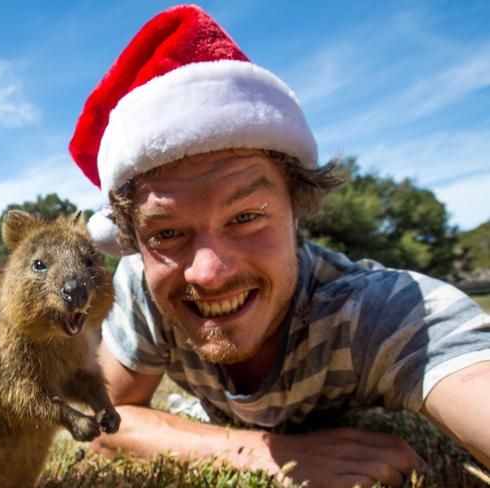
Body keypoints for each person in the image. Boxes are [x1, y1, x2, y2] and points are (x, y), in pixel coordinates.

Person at [69, 5, 490, 487]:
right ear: (134, 242)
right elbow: (103, 417)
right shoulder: (144, 289)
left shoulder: (373, 311)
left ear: (298, 208)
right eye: (166, 234)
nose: (207, 273)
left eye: (245, 217)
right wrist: (265, 454)